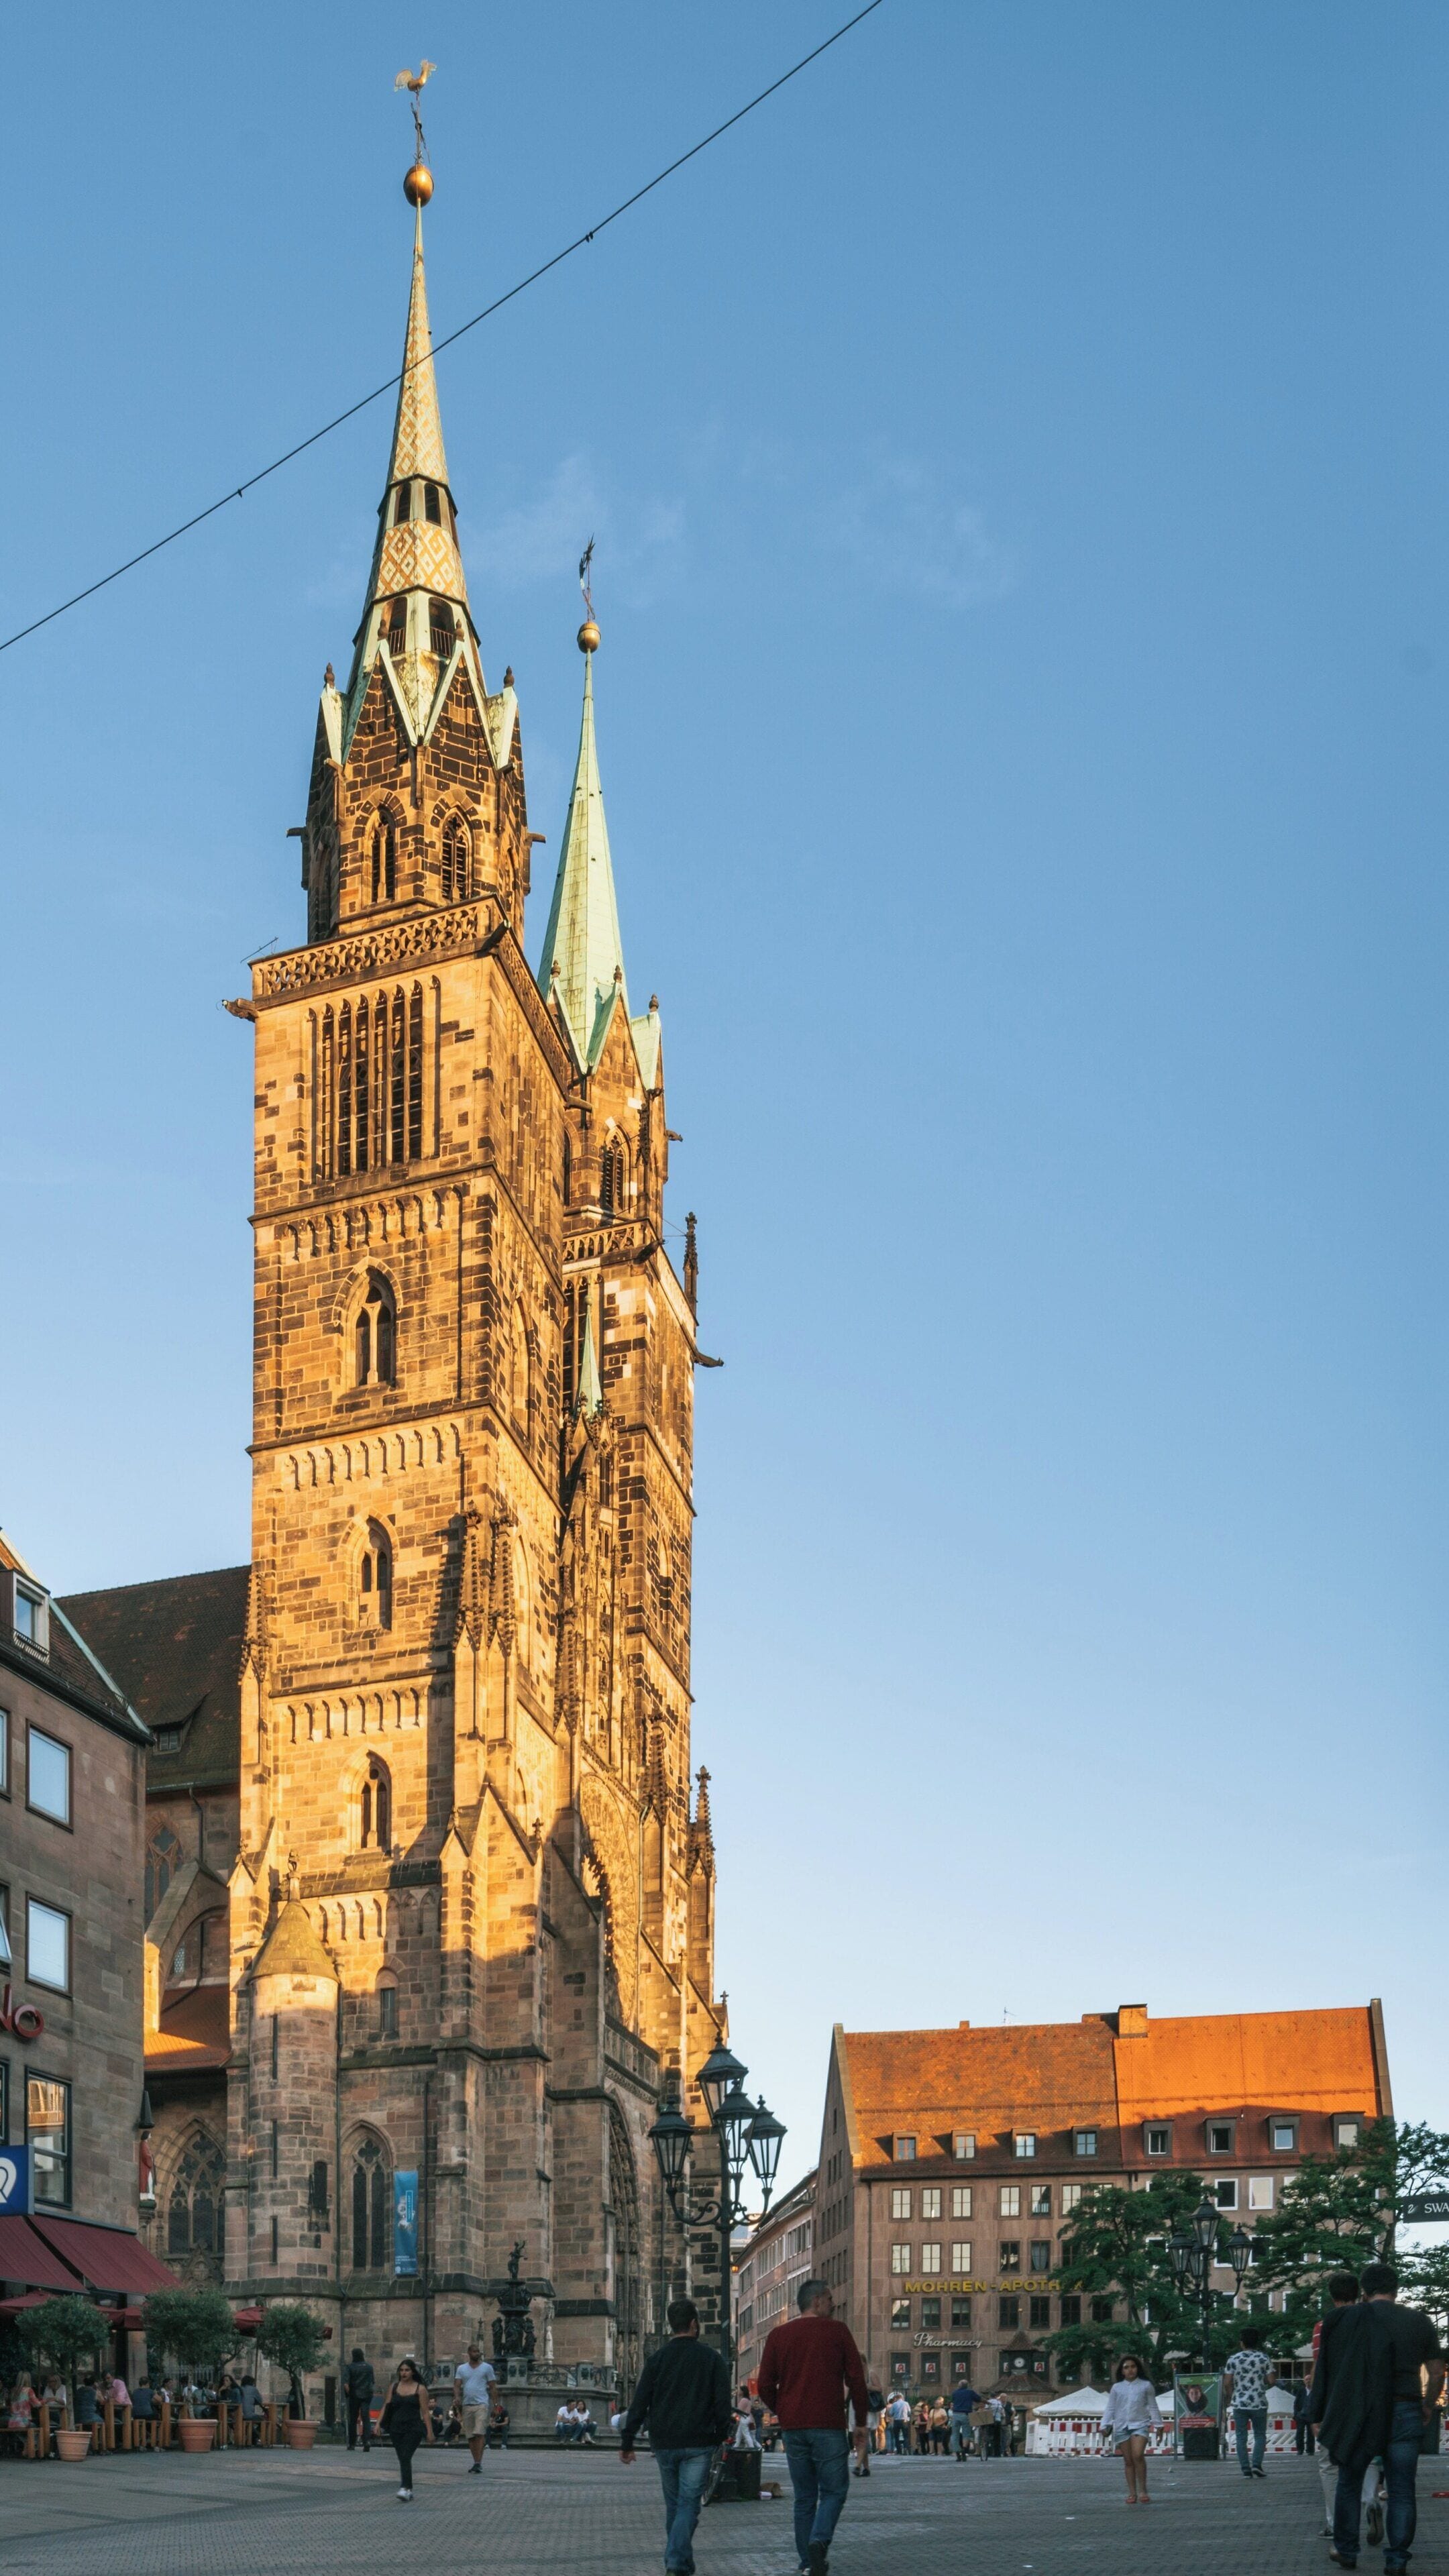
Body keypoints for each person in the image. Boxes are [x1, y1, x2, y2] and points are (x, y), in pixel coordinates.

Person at [1311, 2259, 1444, 2573]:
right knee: (1401, 2488)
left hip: (1360, 2410)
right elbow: (1437, 2370)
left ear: (1365, 2290)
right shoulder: (1418, 2321)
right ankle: (1397, 2558)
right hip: (1404, 2408)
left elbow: (1326, 2372)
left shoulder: (1341, 2319)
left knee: (1349, 2480)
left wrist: (1318, 2414)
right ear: (1396, 2290)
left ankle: (1346, 2549)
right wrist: (1427, 2403)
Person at [757, 2276, 870, 2576]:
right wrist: (860, 2421)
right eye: (830, 2299)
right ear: (818, 2301)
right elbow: (857, 2379)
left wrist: (783, 2409)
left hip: (794, 2429)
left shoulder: (779, 2335)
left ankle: (807, 2563)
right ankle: (819, 2541)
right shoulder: (838, 2332)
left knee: (805, 2497)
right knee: (834, 2491)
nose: (834, 2304)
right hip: (828, 2425)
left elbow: (765, 2384)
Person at [618, 2294, 733, 2576]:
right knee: (688, 2505)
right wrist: (720, 2434)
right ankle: (676, 2563)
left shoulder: (658, 2359)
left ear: (672, 2326)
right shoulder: (712, 2359)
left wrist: (628, 2441)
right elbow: (722, 2405)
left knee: (675, 2506)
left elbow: (639, 2402)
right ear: (694, 2324)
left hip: (665, 2443)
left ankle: (682, 2562)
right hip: (699, 2443)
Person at [1099, 2355, 1163, 2505]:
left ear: (1138, 2368)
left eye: (1133, 2367)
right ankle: (1132, 2492)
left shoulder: (1146, 2386)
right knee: (1128, 2461)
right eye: (1126, 2367)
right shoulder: (1117, 2388)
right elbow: (1111, 2408)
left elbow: (1153, 2406)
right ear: (1122, 2371)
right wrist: (1105, 2424)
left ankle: (1143, 2490)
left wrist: (1159, 2425)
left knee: (1138, 2455)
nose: (1130, 2370)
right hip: (1122, 2426)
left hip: (1140, 2424)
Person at [1223, 2326, 1277, 2478]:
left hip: (1240, 2402)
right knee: (1260, 2435)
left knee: (1241, 2436)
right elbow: (1272, 2380)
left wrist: (1231, 2394)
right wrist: (1263, 2381)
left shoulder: (1234, 2359)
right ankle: (1257, 2465)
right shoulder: (1263, 2358)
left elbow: (1227, 2382)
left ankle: (1245, 2468)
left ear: (1242, 2343)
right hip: (1259, 2401)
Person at [378, 2357, 433, 2501]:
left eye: (407, 2370)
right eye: (401, 2370)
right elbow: (387, 2406)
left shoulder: (420, 2389)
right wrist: (378, 2424)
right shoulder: (394, 2387)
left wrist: (430, 2432)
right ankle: (407, 2489)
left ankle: (405, 2487)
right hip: (396, 2427)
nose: (404, 2373)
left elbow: (425, 2412)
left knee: (405, 2456)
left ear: (413, 2372)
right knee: (402, 2457)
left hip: (414, 2428)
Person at [453, 2342, 497, 2475]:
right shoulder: (462, 2369)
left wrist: (496, 2406)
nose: (477, 2354)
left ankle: (478, 2462)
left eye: (478, 2352)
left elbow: (493, 2387)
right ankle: (475, 2461)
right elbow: (457, 2385)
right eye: (474, 2352)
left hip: (482, 2404)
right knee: (471, 2436)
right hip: (467, 2405)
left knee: (479, 2433)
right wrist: (457, 2397)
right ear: (469, 2354)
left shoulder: (487, 2368)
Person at [343, 2347, 374, 2453]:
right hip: (367, 2395)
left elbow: (346, 2385)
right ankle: (367, 2441)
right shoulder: (369, 2367)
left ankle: (352, 2444)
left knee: (353, 2420)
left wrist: (349, 2394)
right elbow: (372, 2382)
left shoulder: (350, 2367)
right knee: (366, 2419)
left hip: (355, 2395)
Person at [950, 2376, 980, 2460]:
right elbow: (978, 2399)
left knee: (955, 2434)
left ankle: (957, 2452)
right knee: (966, 2434)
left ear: (960, 2386)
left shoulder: (955, 2393)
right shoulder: (970, 2392)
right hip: (966, 2415)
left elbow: (952, 2400)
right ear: (967, 2386)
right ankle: (964, 2450)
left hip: (956, 2414)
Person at [1293, 2373, 1315, 2453]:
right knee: (1300, 2433)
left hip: (1311, 2415)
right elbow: (1296, 2403)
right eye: (1306, 2380)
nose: (1308, 2381)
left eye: (1310, 2379)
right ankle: (1300, 2449)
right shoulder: (1301, 2391)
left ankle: (1310, 2450)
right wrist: (1296, 2414)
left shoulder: (1316, 2391)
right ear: (1304, 2381)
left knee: (1311, 2434)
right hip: (1301, 2415)